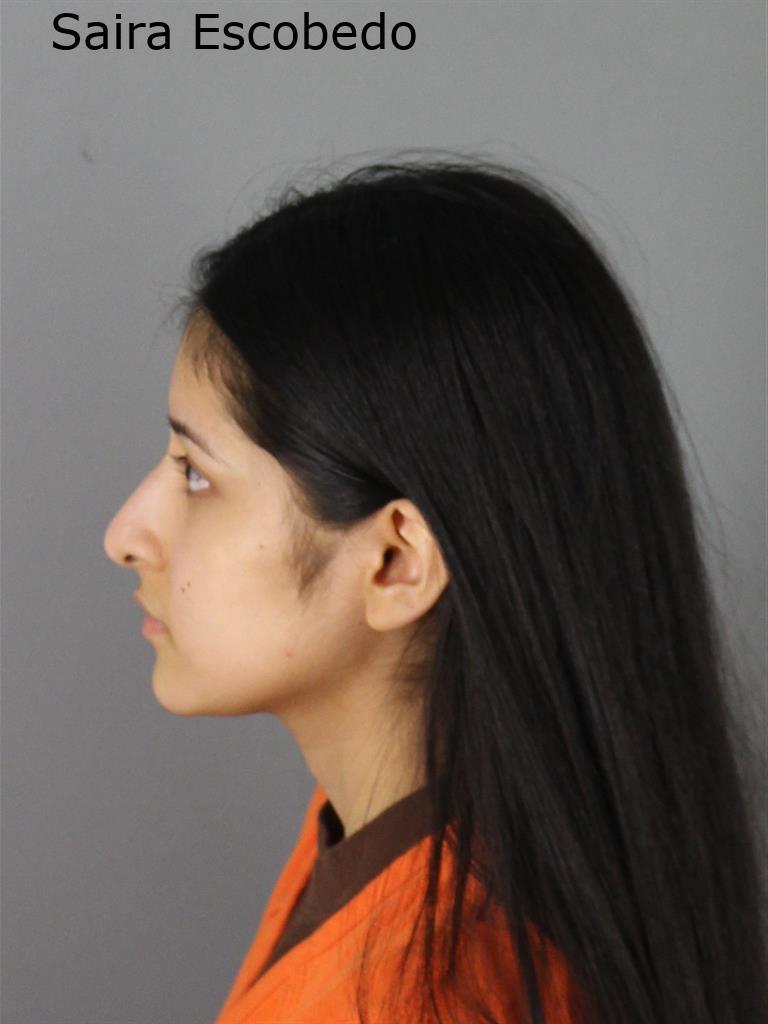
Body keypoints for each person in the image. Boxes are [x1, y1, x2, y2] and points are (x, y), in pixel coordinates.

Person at [103, 156, 766, 1024]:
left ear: (396, 561)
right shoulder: (395, 833)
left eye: (196, 474)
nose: (125, 535)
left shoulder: (429, 993)